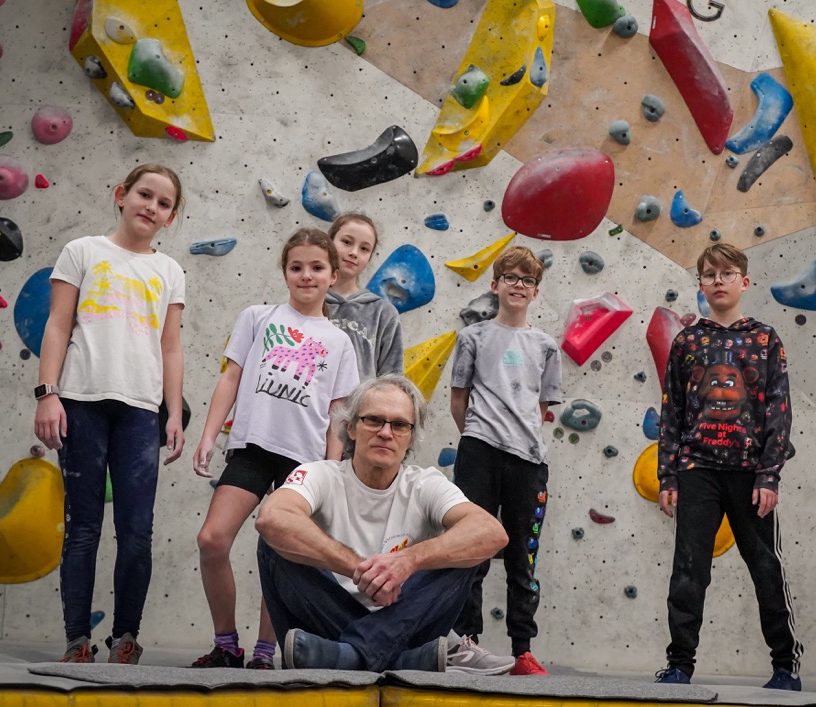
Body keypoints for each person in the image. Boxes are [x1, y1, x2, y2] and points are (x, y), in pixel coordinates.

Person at [254, 375, 515, 674]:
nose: (386, 433)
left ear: (410, 435)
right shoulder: (319, 475)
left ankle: (350, 656)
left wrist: (407, 561)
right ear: (351, 428)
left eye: (400, 424)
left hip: (386, 626)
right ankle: (404, 661)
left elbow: (491, 532)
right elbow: (272, 517)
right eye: (374, 420)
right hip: (326, 620)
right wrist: (359, 569)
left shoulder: (424, 483)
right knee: (273, 540)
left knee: (466, 547)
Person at [34, 163, 187, 664]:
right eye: (145, 194)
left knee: (137, 531)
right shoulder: (82, 251)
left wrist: (173, 413)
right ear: (121, 194)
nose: (152, 206)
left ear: (170, 218)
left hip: (141, 412)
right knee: (83, 528)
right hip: (80, 402)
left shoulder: (169, 271)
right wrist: (47, 393)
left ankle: (125, 638)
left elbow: (171, 348)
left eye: (164, 204)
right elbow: (57, 326)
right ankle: (77, 639)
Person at [189, 228, 360, 670]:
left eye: (317, 268)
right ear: (284, 271)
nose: (306, 276)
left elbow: (339, 412)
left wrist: (330, 470)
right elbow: (229, 378)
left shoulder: (339, 342)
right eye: (296, 267)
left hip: (302, 462)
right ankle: (227, 644)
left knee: (281, 556)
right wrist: (209, 435)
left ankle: (266, 651)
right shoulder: (256, 318)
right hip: (252, 448)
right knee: (212, 539)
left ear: (333, 274)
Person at [654, 242, 803, 688]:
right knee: (688, 572)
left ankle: (784, 666)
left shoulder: (765, 339)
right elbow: (672, 410)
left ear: (744, 281)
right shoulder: (688, 341)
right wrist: (668, 474)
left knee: (765, 568)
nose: (718, 281)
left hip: (750, 475)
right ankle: (680, 663)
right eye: (709, 274)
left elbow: (779, 410)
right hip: (697, 472)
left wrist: (769, 474)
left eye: (726, 273)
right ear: (700, 284)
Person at [448, 246, 562, 676]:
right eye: (510, 278)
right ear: (495, 285)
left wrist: (519, 439)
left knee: (523, 557)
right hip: (479, 453)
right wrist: (476, 438)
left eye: (527, 280)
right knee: (469, 551)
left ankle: (522, 650)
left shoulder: (546, 346)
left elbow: (542, 408)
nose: (518, 285)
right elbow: (458, 400)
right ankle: (465, 642)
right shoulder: (472, 337)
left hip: (528, 462)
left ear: (536, 292)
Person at [325, 213, 404, 380]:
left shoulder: (382, 313)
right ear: (329, 244)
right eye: (347, 242)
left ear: (369, 258)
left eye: (364, 249)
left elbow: (392, 378)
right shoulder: (309, 301)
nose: (354, 253)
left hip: (359, 405)